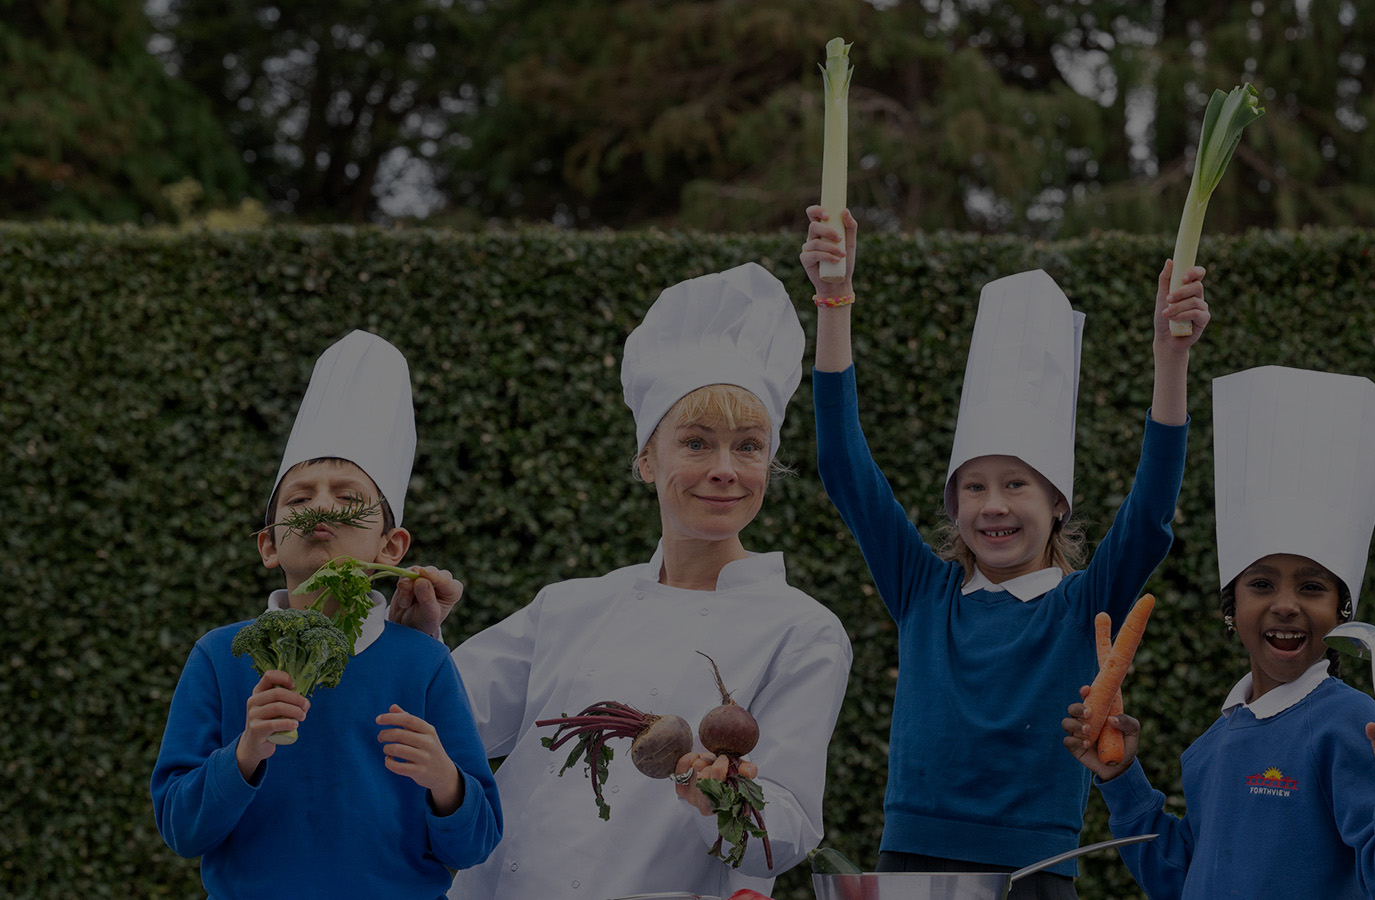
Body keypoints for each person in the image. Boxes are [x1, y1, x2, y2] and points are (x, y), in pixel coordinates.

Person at [406, 263, 853, 900]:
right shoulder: (569, 607)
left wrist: (719, 795)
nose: (725, 469)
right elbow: (444, 720)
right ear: (647, 458)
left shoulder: (803, 632)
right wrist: (419, 638)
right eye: (696, 443)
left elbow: (783, 835)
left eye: (749, 446)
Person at [800, 207, 1208, 900]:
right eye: (975, 487)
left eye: (1016, 484)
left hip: (1036, 874)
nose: (993, 504)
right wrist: (834, 300)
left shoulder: (1083, 604)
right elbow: (844, 465)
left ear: (1057, 503)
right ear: (954, 505)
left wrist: (1172, 360)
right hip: (911, 860)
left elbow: (1149, 513)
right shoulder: (924, 592)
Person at [1060, 365, 1375, 900]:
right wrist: (1122, 775)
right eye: (1262, 584)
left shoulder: (1352, 725)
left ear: (1342, 611)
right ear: (1233, 607)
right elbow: (1180, 880)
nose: (1286, 605)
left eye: (1312, 587)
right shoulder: (1213, 744)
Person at [150, 330, 503, 899]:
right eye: (298, 497)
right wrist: (245, 752)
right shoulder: (219, 656)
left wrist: (445, 780)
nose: (321, 505)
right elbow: (181, 828)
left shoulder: (423, 662)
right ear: (268, 545)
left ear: (392, 548)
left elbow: (476, 842)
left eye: (348, 495)